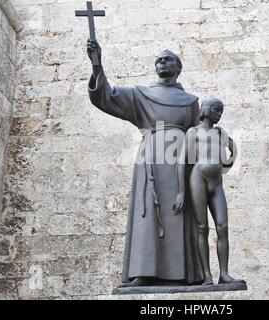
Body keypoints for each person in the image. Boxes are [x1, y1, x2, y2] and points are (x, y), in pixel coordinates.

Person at [86, 39, 203, 286]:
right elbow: (106, 96)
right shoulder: (141, 95)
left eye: (167, 59)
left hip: (181, 162)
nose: (162, 62)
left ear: (178, 67)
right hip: (150, 158)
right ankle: (144, 271)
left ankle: (183, 274)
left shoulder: (192, 101)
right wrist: (97, 65)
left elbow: (199, 134)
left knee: (181, 213)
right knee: (147, 212)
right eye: (159, 60)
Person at [173, 97, 243, 285]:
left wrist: (231, 154)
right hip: (198, 178)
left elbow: (231, 155)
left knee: (223, 227)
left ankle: (224, 274)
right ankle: (206, 275)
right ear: (206, 109)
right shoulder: (193, 132)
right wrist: (181, 191)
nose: (219, 114)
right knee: (202, 228)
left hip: (216, 182)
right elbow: (182, 160)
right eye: (216, 110)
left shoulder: (220, 133)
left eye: (221, 111)